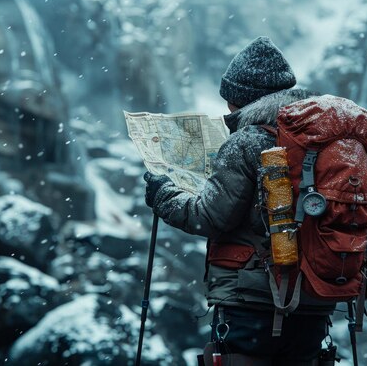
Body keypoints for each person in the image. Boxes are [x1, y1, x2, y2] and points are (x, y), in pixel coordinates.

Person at [143, 37, 335, 365]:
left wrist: (163, 194)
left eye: (229, 100)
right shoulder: (323, 137)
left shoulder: (247, 141)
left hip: (254, 301)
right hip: (316, 299)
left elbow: (209, 217)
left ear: (239, 99)